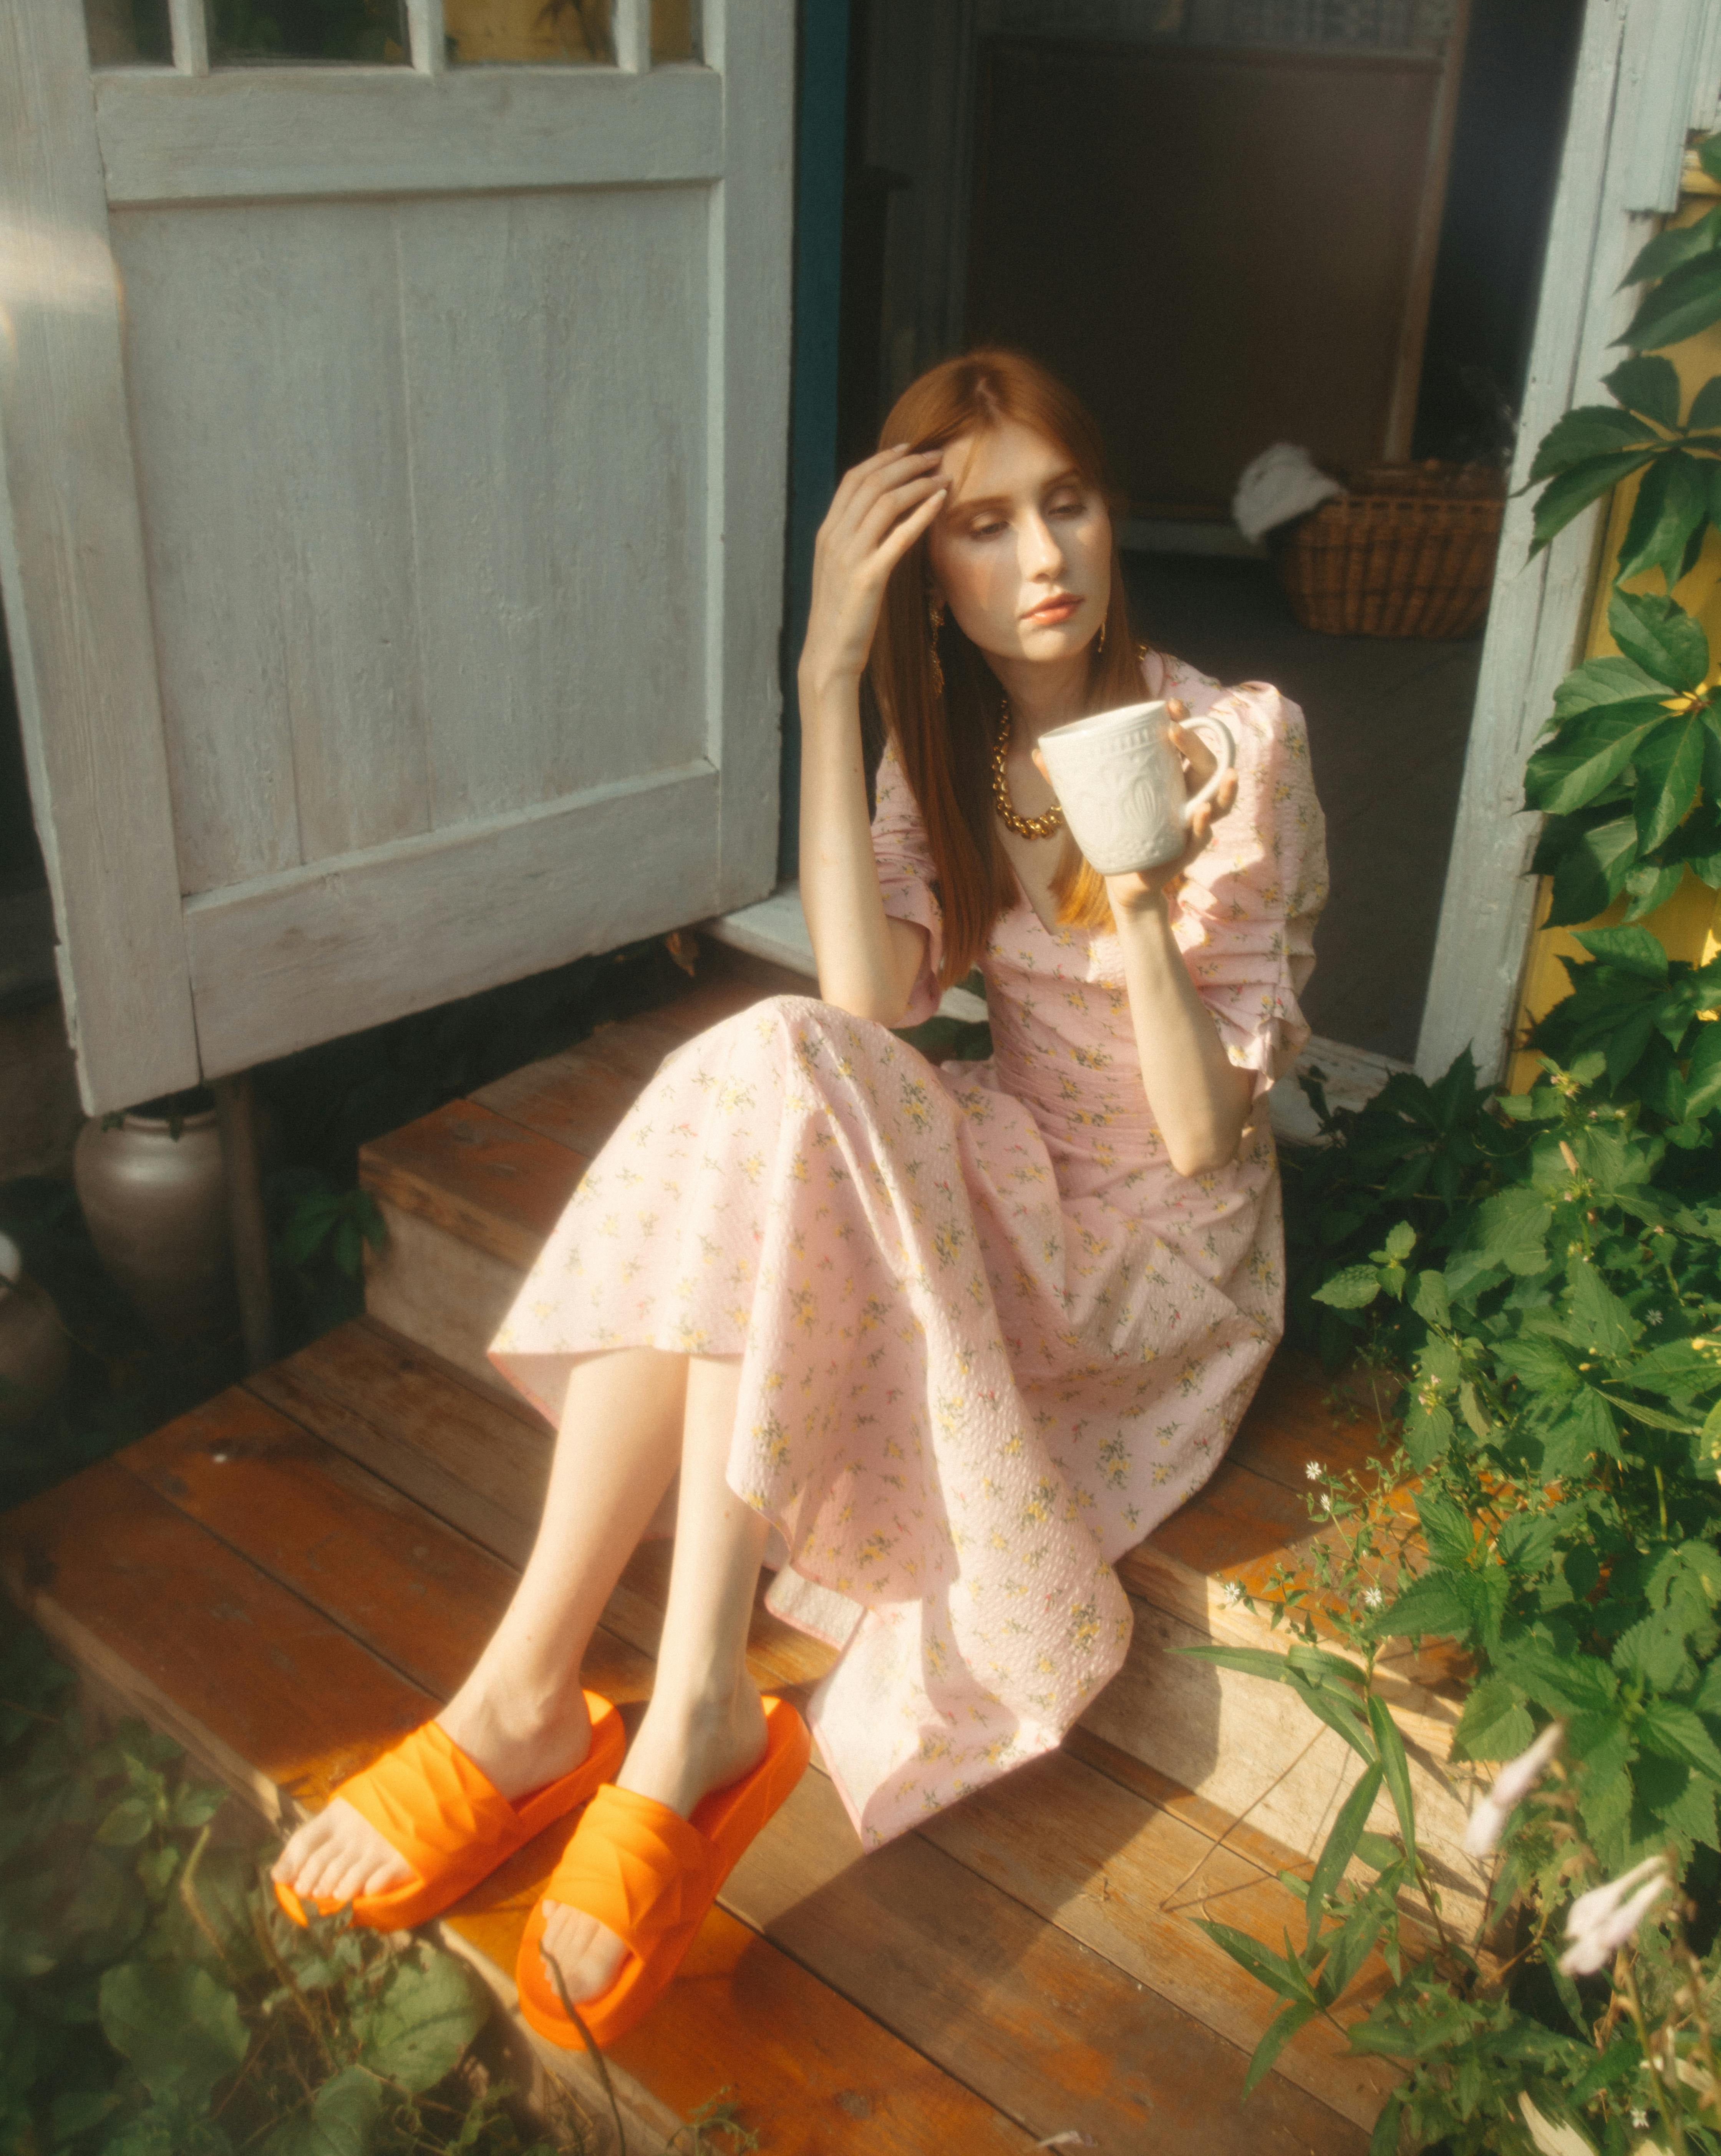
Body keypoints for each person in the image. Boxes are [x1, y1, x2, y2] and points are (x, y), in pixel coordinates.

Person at [272, 349, 1327, 2050]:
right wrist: (831, 678)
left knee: (780, 1096)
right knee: (771, 1071)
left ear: (1111, 509)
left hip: (1154, 1264)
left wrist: (1134, 900)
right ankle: (554, 1697)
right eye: (980, 528)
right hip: (1022, 1168)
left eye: (1065, 503)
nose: (1040, 556)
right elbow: (859, 996)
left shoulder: (1236, 741)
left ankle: (609, 1716)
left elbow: (1205, 1142)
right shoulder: (960, 746)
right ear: (932, 573)